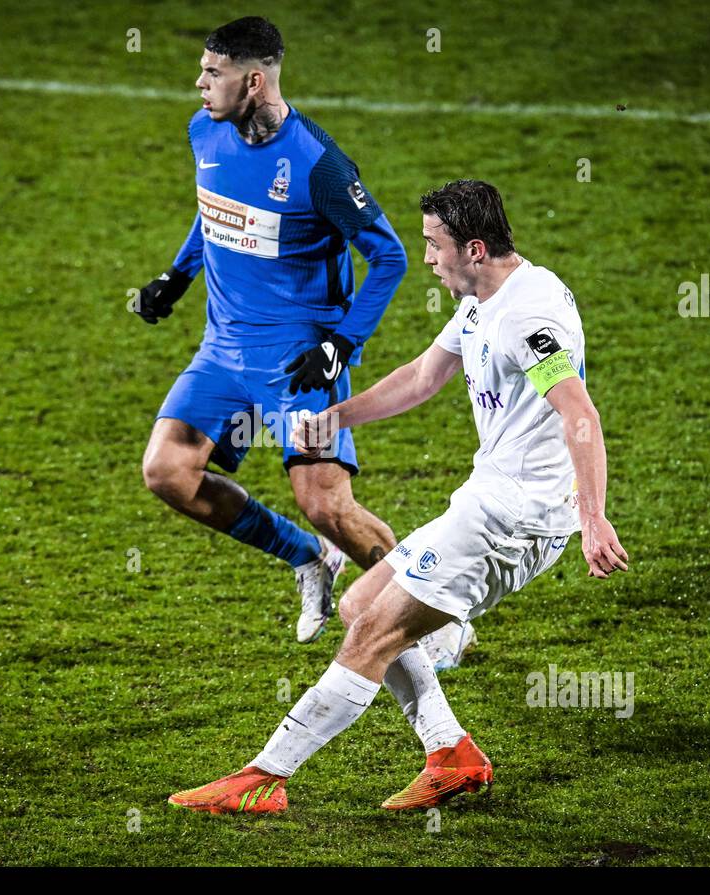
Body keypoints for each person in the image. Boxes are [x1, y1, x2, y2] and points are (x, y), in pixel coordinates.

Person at [169, 179, 629, 813]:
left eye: (434, 246)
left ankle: (263, 779)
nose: (428, 260)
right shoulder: (481, 299)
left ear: (472, 248)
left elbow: (580, 413)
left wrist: (594, 517)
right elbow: (420, 376)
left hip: (514, 519)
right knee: (361, 604)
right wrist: (338, 419)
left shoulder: (528, 317)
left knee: (372, 637)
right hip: (486, 498)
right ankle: (451, 754)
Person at [136, 17, 465, 656]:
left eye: (214, 73)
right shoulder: (204, 130)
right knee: (168, 471)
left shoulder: (317, 164)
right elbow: (214, 210)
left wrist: (342, 344)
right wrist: (176, 274)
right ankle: (304, 558)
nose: (199, 83)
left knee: (327, 504)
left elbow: (390, 256)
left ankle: (442, 618)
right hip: (223, 348)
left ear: (254, 81)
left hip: (299, 360)